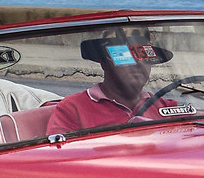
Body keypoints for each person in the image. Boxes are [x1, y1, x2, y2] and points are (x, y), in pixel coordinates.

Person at [43, 26, 174, 136]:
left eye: (145, 56)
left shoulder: (167, 108)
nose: (138, 63)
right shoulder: (72, 109)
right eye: (125, 55)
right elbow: (59, 157)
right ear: (104, 63)